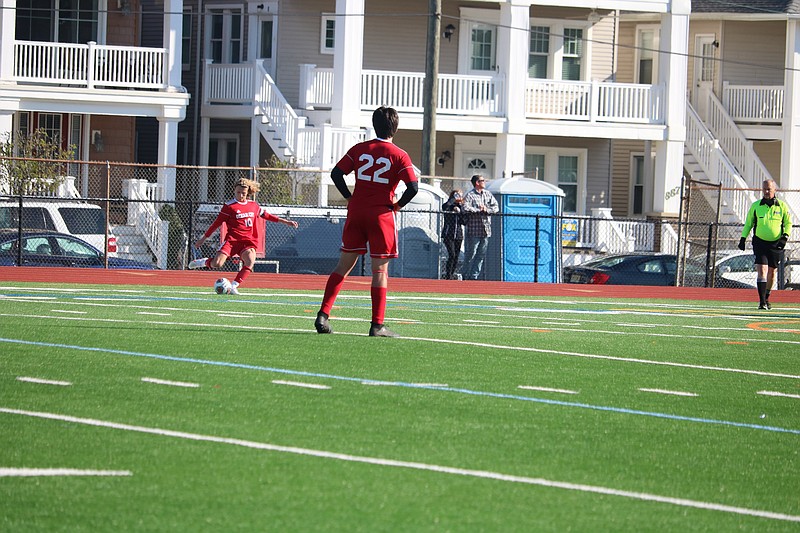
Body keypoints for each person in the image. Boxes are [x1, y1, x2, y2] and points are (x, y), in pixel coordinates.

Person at [314, 106, 418, 337]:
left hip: (357, 211)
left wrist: (350, 197)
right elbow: (413, 188)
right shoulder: (400, 154)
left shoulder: (359, 149)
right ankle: (377, 325)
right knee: (379, 270)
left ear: (374, 125)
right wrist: (398, 205)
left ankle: (323, 315)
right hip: (381, 214)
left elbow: (336, 174)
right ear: (396, 127)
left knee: (343, 266)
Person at [189, 177, 298, 294]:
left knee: (250, 261)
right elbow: (216, 224)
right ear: (234, 191)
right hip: (231, 241)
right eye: (238, 192)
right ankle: (202, 262)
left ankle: (234, 286)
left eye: (244, 193)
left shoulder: (253, 205)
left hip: (247, 242)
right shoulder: (229, 206)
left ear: (248, 193)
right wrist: (203, 239)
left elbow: (266, 215)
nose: (241, 195)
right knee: (217, 264)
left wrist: (285, 222)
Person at [738, 178, 792, 309]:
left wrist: (784, 237)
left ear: (775, 190)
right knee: (762, 270)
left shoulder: (782, 206)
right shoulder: (756, 206)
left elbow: (788, 223)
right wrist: (743, 238)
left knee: (771, 273)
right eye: (764, 189)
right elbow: (748, 224)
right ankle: (762, 302)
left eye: (769, 189)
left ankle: (767, 297)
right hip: (760, 243)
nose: (767, 192)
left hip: (776, 244)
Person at [460, 174, 499, 280]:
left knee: (481, 255)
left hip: (486, 230)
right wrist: (478, 210)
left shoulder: (488, 194)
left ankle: (474, 276)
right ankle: (465, 275)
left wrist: (487, 210)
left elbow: (496, 207)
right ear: (477, 183)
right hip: (474, 231)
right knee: (470, 254)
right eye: (482, 180)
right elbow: (465, 208)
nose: (484, 182)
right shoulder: (470, 195)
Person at [441, 189, 464, 279]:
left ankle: (452, 273)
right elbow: (445, 207)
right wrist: (453, 199)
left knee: (456, 256)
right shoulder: (448, 205)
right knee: (452, 254)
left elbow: (464, 221)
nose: (459, 197)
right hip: (448, 234)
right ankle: (448, 274)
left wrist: (460, 211)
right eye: (457, 195)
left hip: (458, 234)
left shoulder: (460, 207)